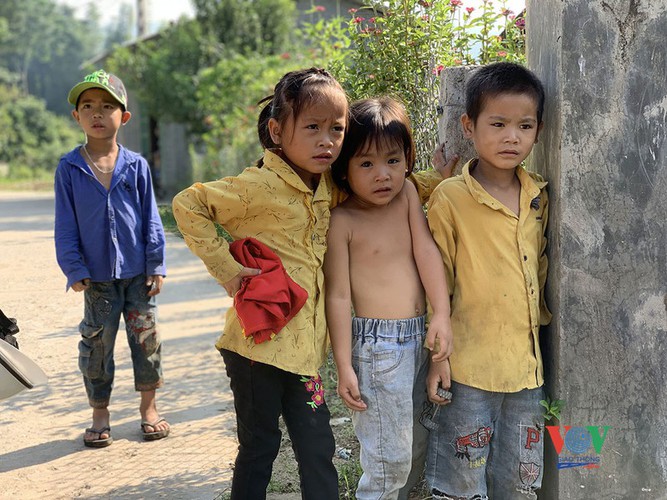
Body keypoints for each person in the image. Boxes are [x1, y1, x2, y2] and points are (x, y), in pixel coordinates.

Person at [172, 68, 455, 500]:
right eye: (313, 128)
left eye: (336, 130)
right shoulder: (256, 187)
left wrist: (441, 180)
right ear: (276, 131)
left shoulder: (330, 188)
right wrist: (226, 268)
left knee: (318, 447)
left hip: (305, 357)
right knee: (261, 446)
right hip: (256, 349)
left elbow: (385, 184)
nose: (327, 141)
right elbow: (188, 204)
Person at [425, 61, 551, 499]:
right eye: (497, 124)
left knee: (519, 480)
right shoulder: (451, 198)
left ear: (538, 131)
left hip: (526, 372)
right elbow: (435, 280)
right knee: (462, 481)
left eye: (524, 125)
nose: (511, 136)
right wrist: (438, 357)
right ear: (469, 126)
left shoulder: (538, 193)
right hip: (467, 369)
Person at [324, 97, 455, 500]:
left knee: (416, 445)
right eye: (366, 164)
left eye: (393, 161)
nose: (383, 175)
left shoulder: (408, 197)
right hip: (378, 351)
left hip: (419, 336)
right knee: (387, 458)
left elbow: (426, 252)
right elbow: (339, 296)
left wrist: (441, 315)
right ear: (344, 168)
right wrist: (344, 365)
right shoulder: (343, 220)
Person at [54, 69, 169, 448]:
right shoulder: (69, 168)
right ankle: (100, 412)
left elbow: (150, 217)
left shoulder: (135, 166)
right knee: (97, 345)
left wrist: (156, 264)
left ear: (124, 116)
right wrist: (73, 267)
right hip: (96, 279)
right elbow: (65, 224)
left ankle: (148, 409)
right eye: (87, 106)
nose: (97, 113)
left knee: (146, 340)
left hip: (138, 275)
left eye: (107, 106)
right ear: (77, 117)